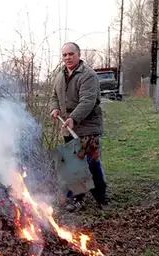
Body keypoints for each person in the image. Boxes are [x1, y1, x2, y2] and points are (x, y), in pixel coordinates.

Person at [50, 42, 109, 212]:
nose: (67, 58)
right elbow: (54, 96)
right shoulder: (60, 75)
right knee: (73, 164)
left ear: (78, 55)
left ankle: (101, 197)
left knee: (91, 163)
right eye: (64, 55)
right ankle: (77, 198)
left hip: (88, 127)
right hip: (68, 127)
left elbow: (88, 101)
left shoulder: (88, 75)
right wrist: (54, 108)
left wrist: (74, 118)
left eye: (71, 54)